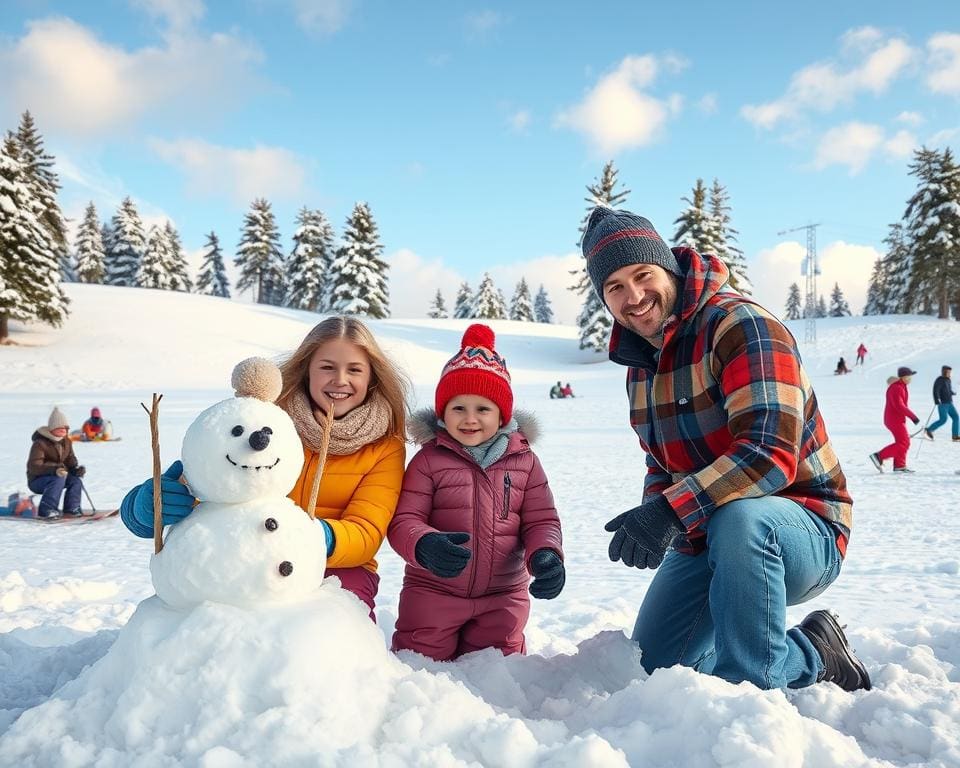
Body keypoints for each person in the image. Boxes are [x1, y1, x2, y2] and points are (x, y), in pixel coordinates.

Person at [580, 206, 868, 692]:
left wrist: (670, 513)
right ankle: (804, 650)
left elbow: (769, 455)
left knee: (743, 520)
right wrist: (654, 516)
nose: (634, 297)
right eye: (615, 287)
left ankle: (759, 682)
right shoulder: (641, 366)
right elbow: (661, 461)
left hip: (802, 528)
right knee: (656, 672)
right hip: (708, 531)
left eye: (642, 275)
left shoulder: (742, 326)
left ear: (668, 267)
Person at [119, 316, 408, 618]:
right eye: (327, 367)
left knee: (333, 628)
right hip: (246, 555)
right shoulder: (263, 420)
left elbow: (365, 534)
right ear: (306, 370)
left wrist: (307, 535)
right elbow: (204, 475)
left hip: (338, 567)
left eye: (354, 370)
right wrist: (146, 508)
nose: (340, 379)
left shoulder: (384, 446)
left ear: (371, 378)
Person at [388, 324, 564, 661]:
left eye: (483, 409)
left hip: (503, 597)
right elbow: (404, 519)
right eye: (458, 408)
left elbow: (542, 520)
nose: (469, 419)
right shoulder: (428, 460)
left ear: (502, 415)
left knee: (496, 673)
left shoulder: (525, 462)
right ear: (443, 413)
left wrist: (546, 554)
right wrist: (423, 544)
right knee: (419, 670)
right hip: (433, 592)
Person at [27, 407, 86, 519]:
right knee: (58, 479)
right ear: (52, 428)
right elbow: (34, 466)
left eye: (66, 427)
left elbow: (70, 459)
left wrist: (75, 469)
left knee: (75, 481)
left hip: (60, 476)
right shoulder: (40, 443)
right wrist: (54, 469)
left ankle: (72, 508)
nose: (64, 430)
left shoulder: (67, 442)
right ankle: (47, 510)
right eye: (60, 427)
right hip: (37, 480)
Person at [869, 367, 920, 474]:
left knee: (902, 442)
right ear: (904, 377)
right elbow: (899, 406)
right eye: (910, 376)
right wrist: (913, 417)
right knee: (904, 442)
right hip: (894, 420)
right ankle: (878, 456)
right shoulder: (897, 388)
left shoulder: (901, 386)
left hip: (896, 419)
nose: (911, 378)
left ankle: (899, 466)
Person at [924, 365, 958, 442]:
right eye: (948, 372)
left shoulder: (948, 380)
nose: (949, 373)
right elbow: (935, 390)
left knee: (956, 417)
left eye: (950, 372)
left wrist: (952, 393)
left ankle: (955, 436)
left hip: (949, 403)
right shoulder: (939, 380)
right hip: (942, 403)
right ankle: (929, 430)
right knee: (943, 419)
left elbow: (947, 390)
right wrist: (937, 400)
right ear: (944, 372)